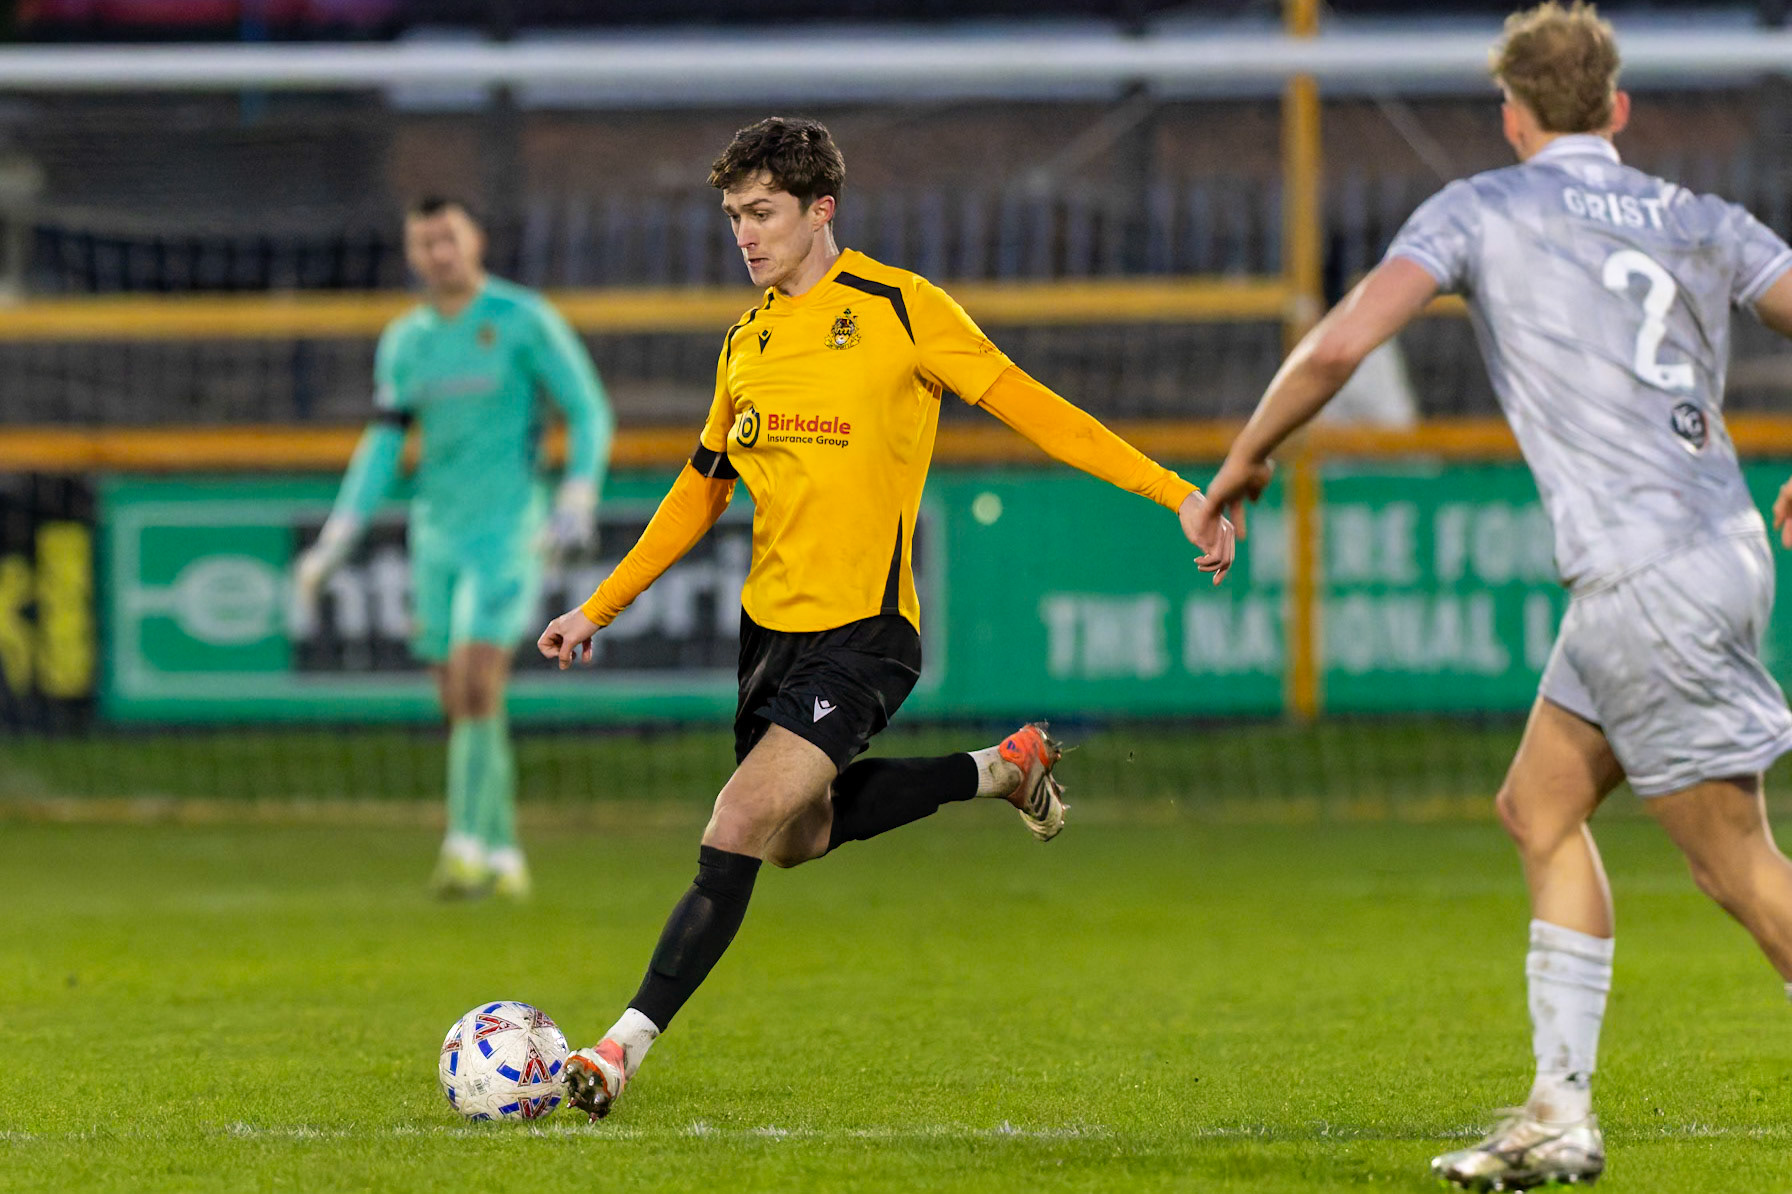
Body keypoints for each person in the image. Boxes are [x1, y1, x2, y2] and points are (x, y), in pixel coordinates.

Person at [1197, 4, 1792, 1188]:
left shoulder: (1479, 206)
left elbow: (1333, 349)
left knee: (1737, 867)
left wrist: (1243, 459)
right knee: (1537, 807)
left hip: (1644, 574)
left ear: (1511, 115)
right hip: (1705, 550)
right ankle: (1557, 1112)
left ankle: (1561, 1114)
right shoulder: (1698, 217)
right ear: (1616, 110)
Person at [537, 116, 1235, 1120]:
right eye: (734, 216)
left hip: (866, 632)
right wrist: (596, 606)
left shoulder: (902, 308)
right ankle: (1003, 770)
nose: (746, 235)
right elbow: (701, 489)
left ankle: (616, 1049)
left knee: (735, 823)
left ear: (821, 209)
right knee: (791, 839)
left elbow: (1037, 408)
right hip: (766, 635)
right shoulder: (748, 338)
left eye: (763, 213)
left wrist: (1176, 493)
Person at [295, 197, 614, 901]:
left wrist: (577, 496)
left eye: (448, 237)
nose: (437, 252)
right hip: (434, 531)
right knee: (458, 699)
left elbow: (588, 409)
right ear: (411, 253)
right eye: (423, 241)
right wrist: (338, 536)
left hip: (508, 530)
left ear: (476, 240)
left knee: (477, 677)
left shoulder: (523, 320)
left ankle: (462, 844)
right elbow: (383, 442)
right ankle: (503, 851)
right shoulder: (405, 341)